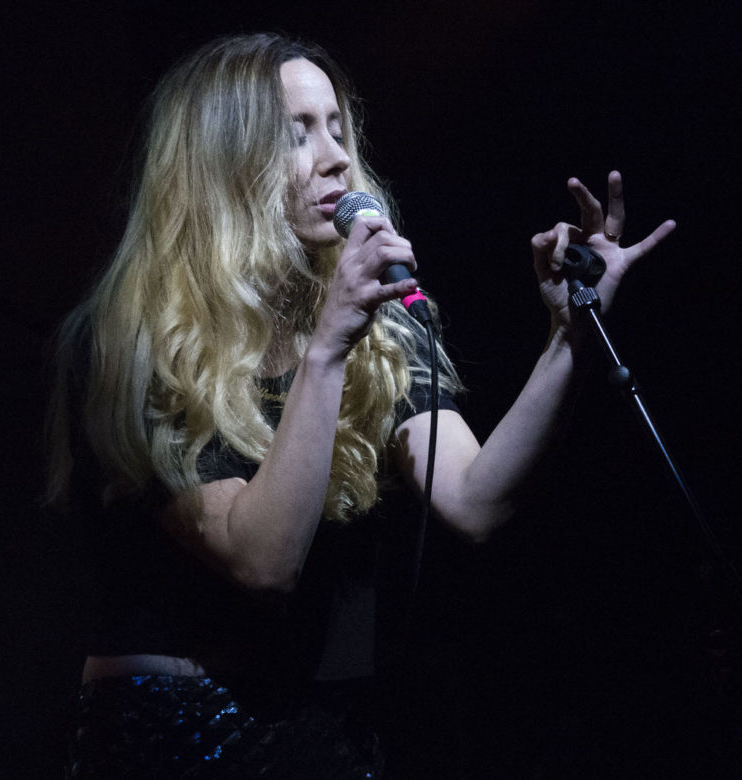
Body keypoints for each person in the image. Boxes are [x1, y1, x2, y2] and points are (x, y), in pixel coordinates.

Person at [46, 32, 674, 778]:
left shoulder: (375, 325)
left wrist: (569, 337)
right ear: (223, 164)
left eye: (339, 130)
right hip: (175, 735)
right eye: (298, 134)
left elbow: (474, 499)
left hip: (326, 729)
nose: (337, 157)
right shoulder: (137, 341)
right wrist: (328, 346)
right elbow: (261, 562)